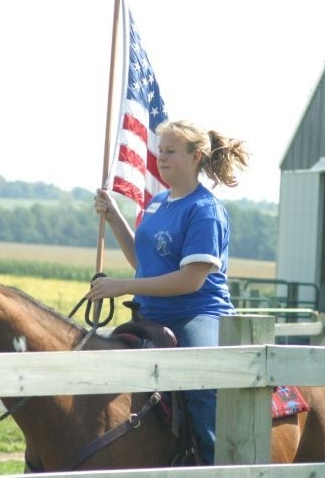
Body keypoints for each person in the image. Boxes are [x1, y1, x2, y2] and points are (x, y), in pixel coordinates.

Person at [87, 119, 249, 465]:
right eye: (160, 150)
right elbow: (144, 261)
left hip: (196, 314)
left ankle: (213, 463)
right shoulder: (158, 203)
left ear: (196, 157)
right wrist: (115, 217)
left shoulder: (205, 210)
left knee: (200, 378)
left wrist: (122, 286)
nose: (161, 158)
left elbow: (190, 280)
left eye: (170, 151)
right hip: (150, 314)